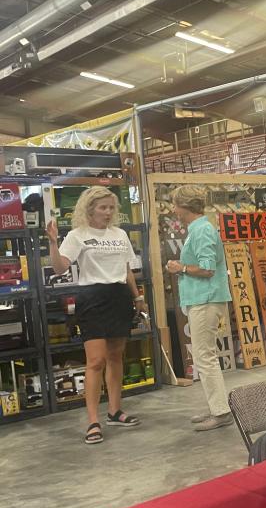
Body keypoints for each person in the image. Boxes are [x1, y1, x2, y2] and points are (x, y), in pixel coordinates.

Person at [46, 186, 145, 444]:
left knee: (115, 356)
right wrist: (53, 243)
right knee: (96, 360)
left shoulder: (120, 234)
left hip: (119, 296)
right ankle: (93, 421)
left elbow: (126, 269)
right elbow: (59, 267)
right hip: (91, 298)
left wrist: (138, 297)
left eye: (111, 207)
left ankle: (114, 411)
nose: (108, 212)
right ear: (89, 209)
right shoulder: (77, 235)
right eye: (103, 207)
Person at [164, 185, 234, 432]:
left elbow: (207, 268)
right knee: (205, 356)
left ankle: (221, 412)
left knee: (205, 357)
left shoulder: (202, 230)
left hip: (205, 299)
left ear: (184, 206)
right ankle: (217, 407)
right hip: (202, 299)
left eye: (175, 205)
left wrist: (180, 268)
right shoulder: (200, 228)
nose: (173, 210)